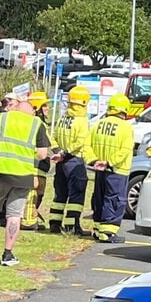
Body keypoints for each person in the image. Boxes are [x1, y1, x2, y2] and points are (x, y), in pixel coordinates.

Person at [0, 94, 50, 267]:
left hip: (0, 172)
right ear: (32, 112)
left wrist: (2, 155)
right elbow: (42, 154)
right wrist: (26, 155)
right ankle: (7, 254)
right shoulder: (37, 124)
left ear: (16, 108)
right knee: (14, 215)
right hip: (23, 176)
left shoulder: (1, 119)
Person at [87, 94, 138, 244]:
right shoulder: (125, 128)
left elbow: (87, 145)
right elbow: (125, 150)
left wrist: (95, 160)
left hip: (99, 169)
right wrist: (109, 162)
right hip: (117, 170)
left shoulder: (98, 125)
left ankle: (98, 229)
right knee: (114, 200)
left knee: (99, 198)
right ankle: (108, 233)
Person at [48, 85, 93, 236]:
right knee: (76, 195)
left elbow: (52, 136)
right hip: (74, 161)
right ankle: (72, 227)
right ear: (84, 103)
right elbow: (79, 143)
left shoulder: (63, 118)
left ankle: (54, 224)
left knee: (60, 195)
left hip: (61, 163)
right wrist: (64, 153)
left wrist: (57, 152)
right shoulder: (82, 121)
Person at [19, 91, 52, 230]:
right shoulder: (37, 124)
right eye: (44, 106)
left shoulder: (40, 123)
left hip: (39, 165)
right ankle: (28, 221)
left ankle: (31, 218)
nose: (47, 109)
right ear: (38, 107)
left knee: (38, 192)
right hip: (35, 164)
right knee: (32, 192)